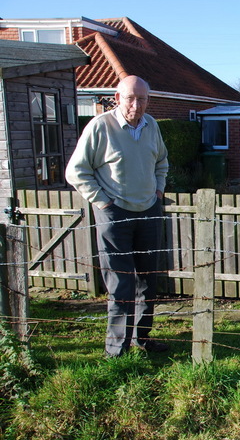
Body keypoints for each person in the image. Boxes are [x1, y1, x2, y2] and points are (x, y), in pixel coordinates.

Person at [66, 75, 169, 357]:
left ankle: (141, 339)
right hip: (115, 215)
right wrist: (104, 203)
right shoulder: (101, 127)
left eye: (143, 98)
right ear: (117, 97)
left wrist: (158, 191)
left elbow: (162, 161)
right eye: (131, 98)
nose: (137, 104)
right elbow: (76, 171)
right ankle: (116, 351)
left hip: (148, 211)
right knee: (121, 283)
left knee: (148, 281)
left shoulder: (152, 126)